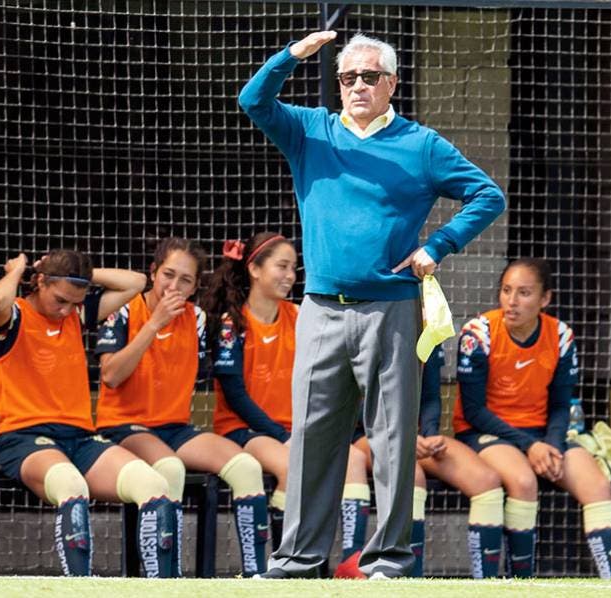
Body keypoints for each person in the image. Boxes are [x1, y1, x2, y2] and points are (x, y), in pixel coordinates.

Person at [239, 30, 505, 579]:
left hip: (392, 309)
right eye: (347, 77)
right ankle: (298, 560)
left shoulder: (422, 144)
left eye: (369, 76)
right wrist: (293, 56)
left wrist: (438, 245)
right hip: (320, 309)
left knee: (391, 440)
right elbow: (253, 100)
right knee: (311, 437)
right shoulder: (310, 130)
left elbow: (488, 195)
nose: (357, 85)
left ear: (392, 84)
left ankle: (388, 560)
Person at [0, 250, 179, 577]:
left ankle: (163, 589)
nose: (66, 310)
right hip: (27, 439)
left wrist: (82, 277)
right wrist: (19, 269)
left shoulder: (75, 313)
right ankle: (79, 587)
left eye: (75, 302)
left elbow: (135, 283)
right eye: (60, 299)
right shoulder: (14, 316)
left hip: (80, 439)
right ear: (40, 282)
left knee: (155, 485)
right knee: (71, 486)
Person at [198, 233, 372, 577]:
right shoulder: (233, 324)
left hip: (295, 429)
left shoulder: (299, 315)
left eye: (294, 268)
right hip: (246, 430)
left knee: (354, 459)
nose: (290, 276)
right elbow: (235, 396)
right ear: (255, 269)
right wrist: (282, 434)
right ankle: (282, 566)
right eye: (282, 266)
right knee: (294, 467)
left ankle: (350, 564)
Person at [93, 237, 269, 576]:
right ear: (153, 272)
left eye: (185, 280)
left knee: (247, 466)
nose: (174, 286)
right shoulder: (125, 309)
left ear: (194, 286)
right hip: (124, 425)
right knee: (170, 468)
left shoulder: (196, 318)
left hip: (174, 426)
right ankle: (166, 580)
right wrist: (154, 324)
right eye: (168, 275)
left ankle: (256, 577)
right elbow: (111, 376)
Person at [453, 258, 611, 579]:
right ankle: (519, 583)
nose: (512, 301)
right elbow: (474, 411)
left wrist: (553, 445)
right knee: (523, 481)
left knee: (597, 484)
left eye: (524, 293)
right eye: (506, 291)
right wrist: (530, 446)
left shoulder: (560, 335)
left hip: (542, 435)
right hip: (486, 432)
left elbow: (562, 405)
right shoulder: (478, 333)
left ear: (545, 298)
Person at [352, 346, 505, 579]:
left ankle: (486, 584)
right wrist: (399, 435)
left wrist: (431, 433)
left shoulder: (427, 329)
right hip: (366, 433)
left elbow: (431, 396)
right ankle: (410, 578)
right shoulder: (366, 329)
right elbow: (351, 403)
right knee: (411, 475)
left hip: (416, 437)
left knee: (486, 481)